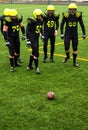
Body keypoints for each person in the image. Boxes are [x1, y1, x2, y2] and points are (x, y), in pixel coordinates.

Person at [26, 8, 43, 74]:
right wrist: (28, 40)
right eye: (38, 15)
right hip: (32, 38)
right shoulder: (31, 21)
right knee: (36, 53)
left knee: (33, 52)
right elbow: (27, 31)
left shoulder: (40, 21)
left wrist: (42, 35)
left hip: (36, 38)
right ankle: (37, 68)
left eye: (40, 15)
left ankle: (29, 66)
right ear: (35, 15)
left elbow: (40, 28)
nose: (39, 16)